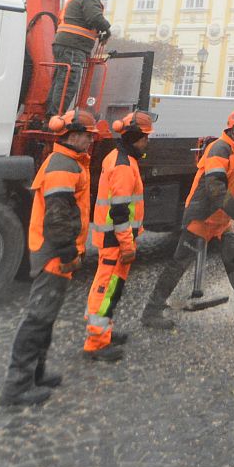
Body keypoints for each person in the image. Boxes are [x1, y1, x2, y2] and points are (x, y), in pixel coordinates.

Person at [0, 110, 101, 409]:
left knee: (46, 317)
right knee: (38, 317)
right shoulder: (63, 166)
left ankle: (36, 374)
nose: (91, 139)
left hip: (55, 251)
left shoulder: (68, 162)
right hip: (53, 254)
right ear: (73, 134)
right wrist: (68, 250)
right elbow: (58, 214)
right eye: (88, 134)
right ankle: (15, 389)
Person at [140, 107, 234, 330]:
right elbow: (215, 190)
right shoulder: (219, 150)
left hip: (219, 219)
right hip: (202, 216)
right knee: (179, 263)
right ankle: (151, 311)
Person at [82, 111, 149, 358]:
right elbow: (120, 211)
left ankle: (102, 329)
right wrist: (127, 244)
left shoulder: (119, 157)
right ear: (134, 138)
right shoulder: (123, 165)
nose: (147, 143)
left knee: (107, 287)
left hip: (112, 238)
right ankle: (97, 343)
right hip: (116, 240)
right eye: (145, 138)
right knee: (107, 289)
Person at [50, 0, 113, 115]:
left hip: (64, 44)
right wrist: (107, 29)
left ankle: (51, 114)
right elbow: (95, 18)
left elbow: (83, 21)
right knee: (68, 83)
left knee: (60, 81)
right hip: (74, 45)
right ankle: (56, 116)